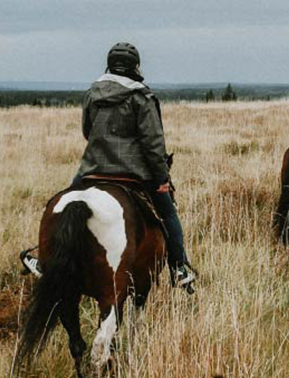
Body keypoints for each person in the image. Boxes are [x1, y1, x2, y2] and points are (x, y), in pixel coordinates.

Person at [21, 43, 196, 288]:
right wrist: (162, 178)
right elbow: (153, 145)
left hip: (93, 168)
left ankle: (44, 257)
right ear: (135, 66)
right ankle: (179, 267)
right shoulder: (142, 97)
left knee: (64, 204)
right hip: (133, 172)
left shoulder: (93, 93)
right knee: (168, 213)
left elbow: (87, 131)